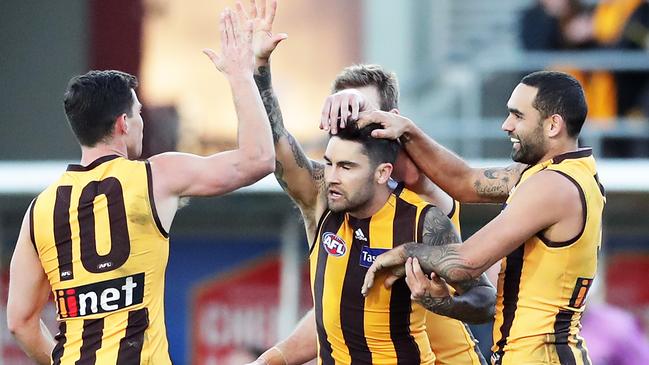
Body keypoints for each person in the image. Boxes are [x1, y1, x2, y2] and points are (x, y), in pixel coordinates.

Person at [5, 8, 275, 365]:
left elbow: (21, 322)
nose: (141, 122)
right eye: (138, 113)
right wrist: (241, 75)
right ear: (123, 124)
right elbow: (257, 159)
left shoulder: (41, 209)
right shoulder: (156, 176)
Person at [238, 1, 495, 364]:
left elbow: (414, 173)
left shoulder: (424, 194)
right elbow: (338, 311)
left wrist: (443, 300)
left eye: (362, 114)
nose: (351, 123)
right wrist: (259, 67)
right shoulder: (330, 194)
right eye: (342, 115)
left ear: (393, 121)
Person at [357, 71, 605, 365]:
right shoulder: (559, 173)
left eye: (517, 116)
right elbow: (463, 181)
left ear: (553, 125)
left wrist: (402, 253)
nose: (506, 125)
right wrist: (408, 131)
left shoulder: (552, 186)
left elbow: (466, 263)